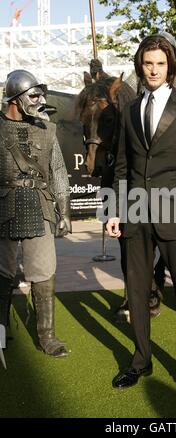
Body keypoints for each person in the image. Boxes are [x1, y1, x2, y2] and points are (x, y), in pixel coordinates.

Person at [107, 35, 176, 403]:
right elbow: (122, 165)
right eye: (148, 63)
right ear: (141, 66)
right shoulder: (130, 109)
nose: (153, 70)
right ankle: (140, 361)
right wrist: (114, 209)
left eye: (160, 64)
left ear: (171, 67)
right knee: (136, 292)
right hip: (135, 210)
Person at [0, 69, 71, 358]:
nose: (39, 99)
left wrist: (64, 212)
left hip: (39, 204)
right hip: (3, 205)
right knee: (2, 272)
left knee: (44, 271)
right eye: (33, 95)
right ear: (15, 99)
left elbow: (59, 173)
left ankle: (47, 336)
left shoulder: (47, 129)